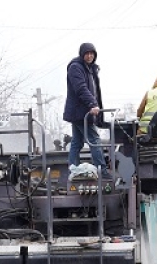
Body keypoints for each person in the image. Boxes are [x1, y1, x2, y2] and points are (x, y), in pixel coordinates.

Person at [62, 42, 109, 178]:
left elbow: (93, 90)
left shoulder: (88, 68)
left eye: (92, 54)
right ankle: (102, 172)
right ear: (82, 55)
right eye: (87, 54)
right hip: (81, 112)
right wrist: (92, 104)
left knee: (77, 141)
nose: (89, 56)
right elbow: (81, 88)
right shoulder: (76, 68)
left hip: (80, 111)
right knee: (94, 139)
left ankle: (74, 169)